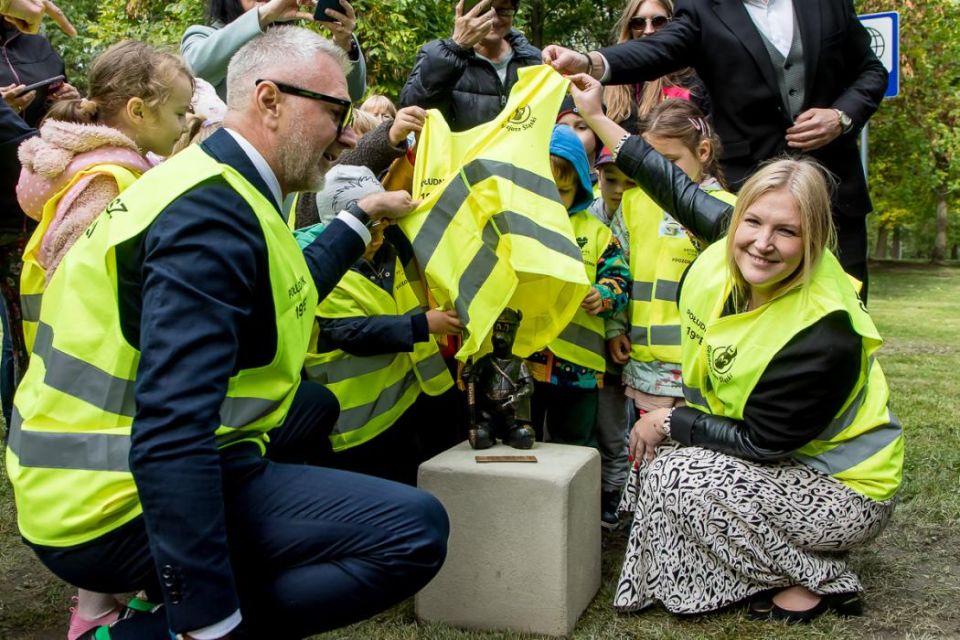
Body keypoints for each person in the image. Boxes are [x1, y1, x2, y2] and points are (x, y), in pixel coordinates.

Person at [6, 26, 448, 640]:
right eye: (336, 112)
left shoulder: (219, 180)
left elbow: (284, 288)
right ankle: (158, 630)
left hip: (90, 469)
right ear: (269, 100)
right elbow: (171, 431)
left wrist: (356, 218)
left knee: (312, 406)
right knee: (414, 532)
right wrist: (208, 619)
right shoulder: (210, 216)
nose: (349, 135)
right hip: (107, 503)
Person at [569, 72, 902, 623]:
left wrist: (670, 420)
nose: (762, 243)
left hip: (843, 488)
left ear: (814, 241)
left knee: (679, 472)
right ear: (737, 217)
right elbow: (665, 180)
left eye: (787, 232)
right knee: (661, 472)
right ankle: (717, 571)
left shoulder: (825, 331)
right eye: (753, 222)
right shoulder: (731, 236)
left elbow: (762, 440)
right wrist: (599, 114)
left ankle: (823, 575)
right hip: (786, 463)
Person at [15, 40, 194, 639]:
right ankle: (92, 614)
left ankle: (123, 597)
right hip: (96, 363)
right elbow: (85, 268)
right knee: (114, 480)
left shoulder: (100, 165)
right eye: (176, 113)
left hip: (78, 355)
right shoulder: (110, 179)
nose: (184, 125)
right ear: (138, 112)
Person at [544, 0, 888, 298]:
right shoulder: (701, 7)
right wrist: (590, 62)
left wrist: (842, 116)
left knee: (845, 316)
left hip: (835, 196)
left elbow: (870, 69)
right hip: (745, 196)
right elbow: (658, 48)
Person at [604, 99, 735, 529]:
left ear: (703, 152)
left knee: (695, 451)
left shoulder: (729, 211)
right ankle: (650, 526)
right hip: (646, 364)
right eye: (651, 161)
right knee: (645, 447)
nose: (658, 173)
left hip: (701, 369)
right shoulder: (634, 203)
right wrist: (614, 325)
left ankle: (692, 526)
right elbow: (618, 267)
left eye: (671, 162)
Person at [300, 165, 463, 485]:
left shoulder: (391, 248)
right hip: (355, 424)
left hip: (406, 402)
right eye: (368, 227)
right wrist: (423, 326)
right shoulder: (317, 268)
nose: (377, 237)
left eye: (384, 225)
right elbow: (348, 332)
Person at [526, 124, 629, 449]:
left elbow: (619, 278)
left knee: (576, 446)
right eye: (546, 188)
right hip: (526, 361)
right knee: (519, 439)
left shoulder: (597, 233)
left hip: (580, 368)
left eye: (564, 191)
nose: (554, 200)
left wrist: (604, 294)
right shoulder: (520, 223)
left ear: (581, 188)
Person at [181, 0, 367, 101]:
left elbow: (352, 93)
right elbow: (195, 73)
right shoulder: (202, 35)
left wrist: (343, 42)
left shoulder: (297, 45)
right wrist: (264, 15)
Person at [399, 0, 540, 132]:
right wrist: (456, 48)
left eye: (502, 11)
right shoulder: (436, 56)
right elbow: (412, 110)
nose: (493, 19)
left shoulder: (533, 59)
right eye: (484, 10)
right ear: (463, 10)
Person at [602, 0, 710, 133]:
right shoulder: (607, 86)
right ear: (630, 28)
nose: (648, 30)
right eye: (639, 23)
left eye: (659, 21)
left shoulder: (692, 80)